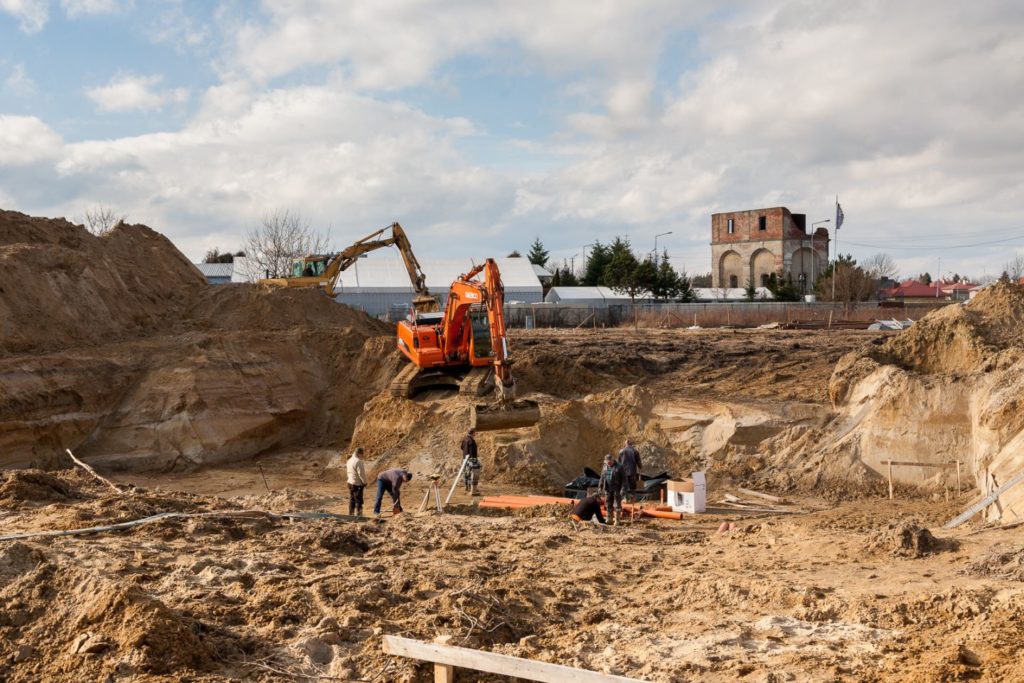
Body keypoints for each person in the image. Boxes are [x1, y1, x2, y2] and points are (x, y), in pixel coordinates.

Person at [599, 453, 625, 525]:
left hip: (617, 489)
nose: (609, 464)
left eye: (610, 462)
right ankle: (609, 519)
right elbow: (602, 478)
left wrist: (623, 489)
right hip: (608, 488)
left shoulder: (619, 467)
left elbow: (624, 480)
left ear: (613, 460)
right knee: (608, 504)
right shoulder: (605, 467)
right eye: (607, 462)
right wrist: (600, 487)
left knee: (617, 505)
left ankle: (617, 520)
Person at [346, 447, 368, 516]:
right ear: (359, 453)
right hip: (357, 484)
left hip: (350, 483)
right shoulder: (358, 461)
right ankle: (359, 516)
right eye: (362, 454)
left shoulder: (349, 460)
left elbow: (348, 472)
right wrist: (364, 482)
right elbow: (361, 474)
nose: (362, 456)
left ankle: (351, 515)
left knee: (352, 499)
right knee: (358, 501)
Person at [460, 427, 481, 496]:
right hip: (471, 460)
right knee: (474, 474)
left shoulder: (464, 439)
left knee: (467, 474)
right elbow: (472, 452)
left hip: (465, 459)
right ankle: (473, 491)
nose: (475, 433)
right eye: (475, 432)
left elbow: (462, 447)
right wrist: (474, 460)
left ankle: (468, 488)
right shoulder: (471, 441)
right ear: (473, 433)